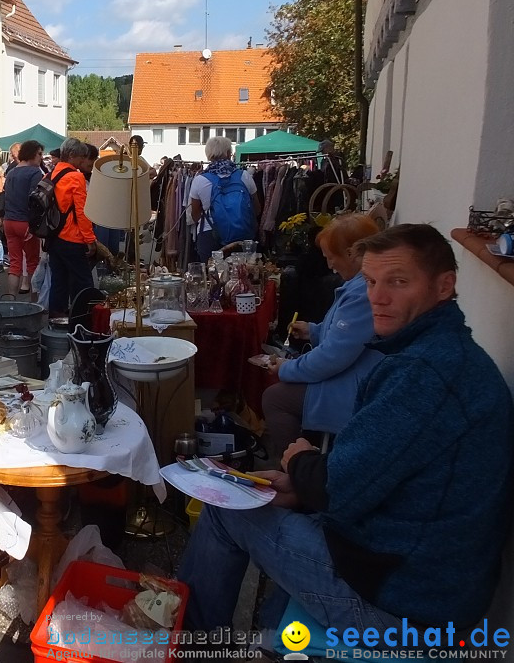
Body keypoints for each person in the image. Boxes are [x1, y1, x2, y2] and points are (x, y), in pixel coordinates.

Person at [177, 224, 514, 639]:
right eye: (371, 281)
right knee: (271, 502)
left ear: (445, 286)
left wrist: (300, 460)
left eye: (398, 282)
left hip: (405, 603)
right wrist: (304, 489)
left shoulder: (425, 373)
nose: (378, 296)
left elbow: (337, 489)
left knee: (225, 506)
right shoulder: (443, 353)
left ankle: (188, 640)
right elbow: (376, 479)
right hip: (417, 572)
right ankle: (266, 636)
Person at [262, 213, 381, 458]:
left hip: (359, 386)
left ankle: (298, 473)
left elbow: (333, 357)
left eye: (331, 258)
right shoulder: (359, 286)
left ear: (352, 253)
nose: (329, 266)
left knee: (275, 398)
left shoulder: (362, 293)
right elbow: (347, 336)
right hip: (356, 374)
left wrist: (287, 368)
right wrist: (314, 331)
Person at [46, 138, 97, 317]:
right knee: (83, 283)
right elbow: (82, 212)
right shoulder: (75, 177)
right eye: (82, 157)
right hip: (72, 238)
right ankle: (82, 320)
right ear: (72, 155)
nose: (83, 161)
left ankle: (56, 321)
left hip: (53, 237)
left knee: (59, 282)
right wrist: (90, 240)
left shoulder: (51, 174)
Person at [188, 136, 259, 262]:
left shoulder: (200, 180)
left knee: (211, 276)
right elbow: (257, 209)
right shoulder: (244, 176)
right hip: (242, 234)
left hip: (210, 235)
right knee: (242, 275)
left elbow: (195, 215)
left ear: (208, 155)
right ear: (229, 153)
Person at [2, 139, 45, 296]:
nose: (41, 157)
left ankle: (11, 302)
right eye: (39, 154)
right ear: (32, 154)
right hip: (26, 222)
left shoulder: (11, 172)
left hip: (9, 221)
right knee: (33, 263)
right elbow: (35, 200)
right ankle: (34, 305)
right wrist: (35, 225)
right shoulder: (35, 172)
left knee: (14, 264)